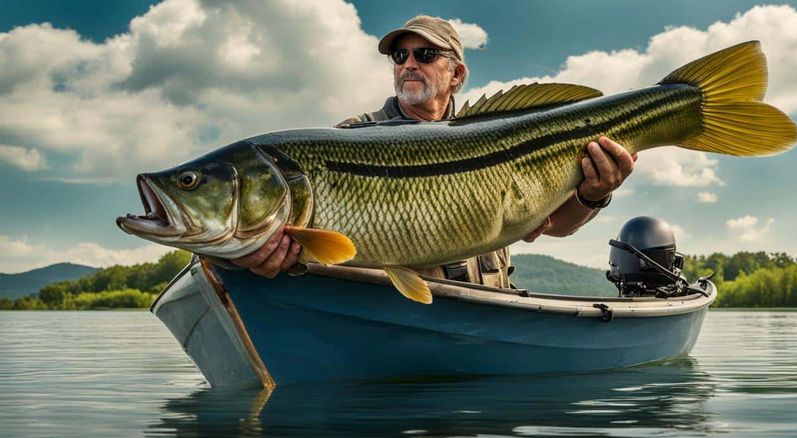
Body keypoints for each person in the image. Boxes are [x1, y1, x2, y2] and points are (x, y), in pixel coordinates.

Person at [232, 15, 636, 287]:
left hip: (492, 310)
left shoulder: (502, 135)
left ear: (456, 73)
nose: (409, 64)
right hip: (393, 318)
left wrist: (593, 194)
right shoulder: (349, 138)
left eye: (425, 55)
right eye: (399, 56)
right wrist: (252, 255)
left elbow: (556, 226)